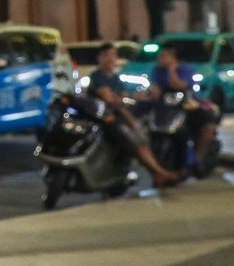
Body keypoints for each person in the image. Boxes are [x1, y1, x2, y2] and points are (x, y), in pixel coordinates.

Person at [84, 43, 180, 187]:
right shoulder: (98, 76)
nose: (111, 59)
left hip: (117, 117)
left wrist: (139, 98)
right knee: (134, 139)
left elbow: (123, 98)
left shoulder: (115, 78)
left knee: (142, 136)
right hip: (104, 119)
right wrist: (130, 118)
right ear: (100, 58)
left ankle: (158, 172)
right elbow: (111, 101)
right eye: (107, 56)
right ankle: (159, 173)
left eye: (113, 56)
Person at [141, 43, 221, 175]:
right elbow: (154, 88)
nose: (161, 59)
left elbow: (179, 85)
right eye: (160, 56)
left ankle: (197, 158)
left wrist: (171, 70)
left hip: (188, 105)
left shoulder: (184, 69)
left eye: (165, 56)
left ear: (174, 58)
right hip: (165, 108)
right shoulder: (157, 70)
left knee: (207, 125)